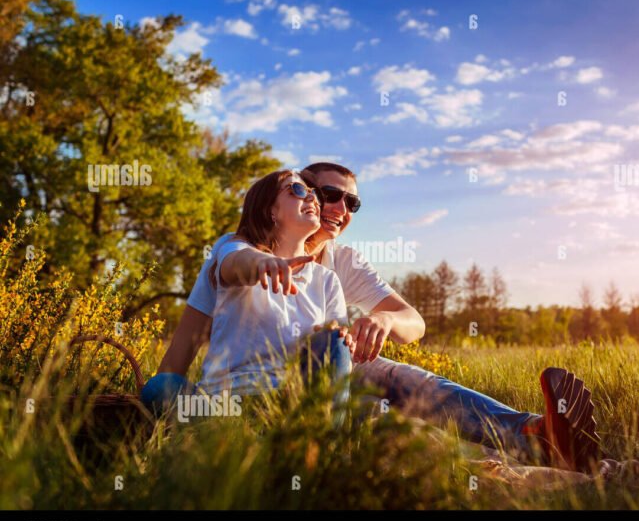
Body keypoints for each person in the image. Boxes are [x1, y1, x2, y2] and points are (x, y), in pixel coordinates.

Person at [152, 162, 601, 472]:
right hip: (266, 384)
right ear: (279, 203)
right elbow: (193, 329)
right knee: (377, 416)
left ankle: (532, 434)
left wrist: (383, 322)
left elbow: (412, 322)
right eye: (327, 194)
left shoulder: (338, 267)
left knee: (391, 372)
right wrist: (162, 393)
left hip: (325, 375)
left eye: (352, 203)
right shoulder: (236, 248)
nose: (339, 209)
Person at [141, 170, 354, 426]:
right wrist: (263, 263)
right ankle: (220, 435)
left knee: (337, 341)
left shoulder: (327, 281)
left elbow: (337, 349)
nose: (312, 198)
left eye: (314, 194)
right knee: (160, 387)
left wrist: (339, 337)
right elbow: (235, 263)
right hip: (221, 404)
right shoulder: (235, 248)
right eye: (297, 190)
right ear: (269, 210)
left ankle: (317, 442)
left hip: (287, 406)